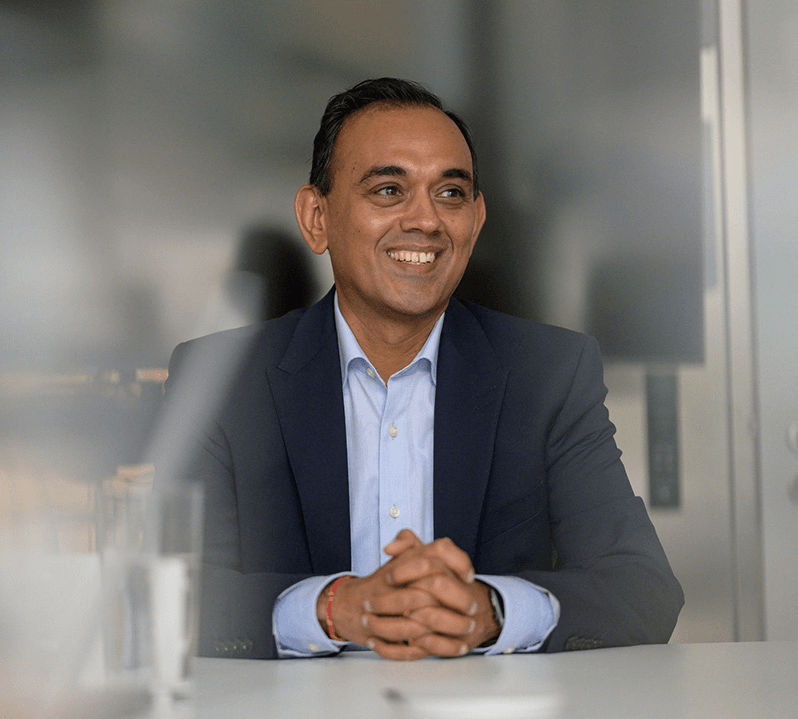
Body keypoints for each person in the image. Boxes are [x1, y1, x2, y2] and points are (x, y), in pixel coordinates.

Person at [161, 78, 683, 661]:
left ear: (475, 220)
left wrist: (492, 612)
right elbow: (173, 593)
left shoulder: (548, 374)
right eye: (389, 190)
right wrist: (334, 608)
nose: (427, 221)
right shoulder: (221, 381)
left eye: (451, 193)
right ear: (316, 218)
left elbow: (643, 588)